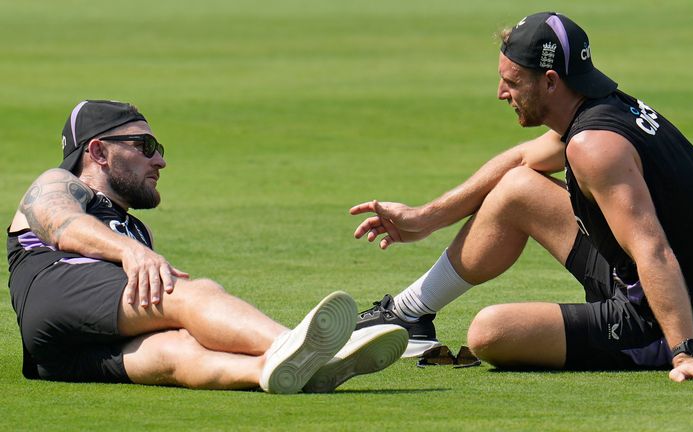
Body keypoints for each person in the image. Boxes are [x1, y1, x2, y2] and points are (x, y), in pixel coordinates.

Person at [351, 12, 693, 382]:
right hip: (657, 287)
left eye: (513, 81)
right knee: (518, 187)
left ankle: (682, 349)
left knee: (490, 331)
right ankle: (407, 314)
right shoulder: (600, 111)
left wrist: (686, 353)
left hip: (670, 322)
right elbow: (522, 158)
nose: (501, 93)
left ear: (551, 81)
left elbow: (652, 249)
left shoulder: (595, 147)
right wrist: (424, 219)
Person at [6, 100, 408, 393]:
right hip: (55, 286)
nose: (159, 161)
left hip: (54, 353)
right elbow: (59, 222)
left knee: (175, 351)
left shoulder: (136, 230)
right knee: (192, 294)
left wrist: (136, 248)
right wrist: (131, 252)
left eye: (160, 150)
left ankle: (275, 369)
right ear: (98, 152)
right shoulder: (62, 184)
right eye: (145, 147)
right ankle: (304, 347)